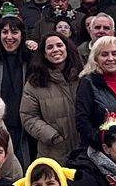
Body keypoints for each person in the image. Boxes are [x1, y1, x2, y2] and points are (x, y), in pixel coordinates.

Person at [19, 33, 82, 164]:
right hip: (52, 153)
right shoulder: (35, 83)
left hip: (83, 151)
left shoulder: (82, 76)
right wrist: (52, 136)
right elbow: (28, 116)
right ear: (44, 54)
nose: (55, 50)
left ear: (67, 48)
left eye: (59, 45)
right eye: (50, 47)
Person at [0, 14, 34, 156]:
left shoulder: (32, 59)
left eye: (14, 32)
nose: (9, 37)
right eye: (4, 32)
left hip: (26, 126)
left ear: (22, 35)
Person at [75, 36, 116, 152]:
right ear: (96, 58)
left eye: (114, 54)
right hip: (99, 151)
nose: (110, 58)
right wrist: (103, 142)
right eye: (104, 54)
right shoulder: (88, 83)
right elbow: (82, 121)